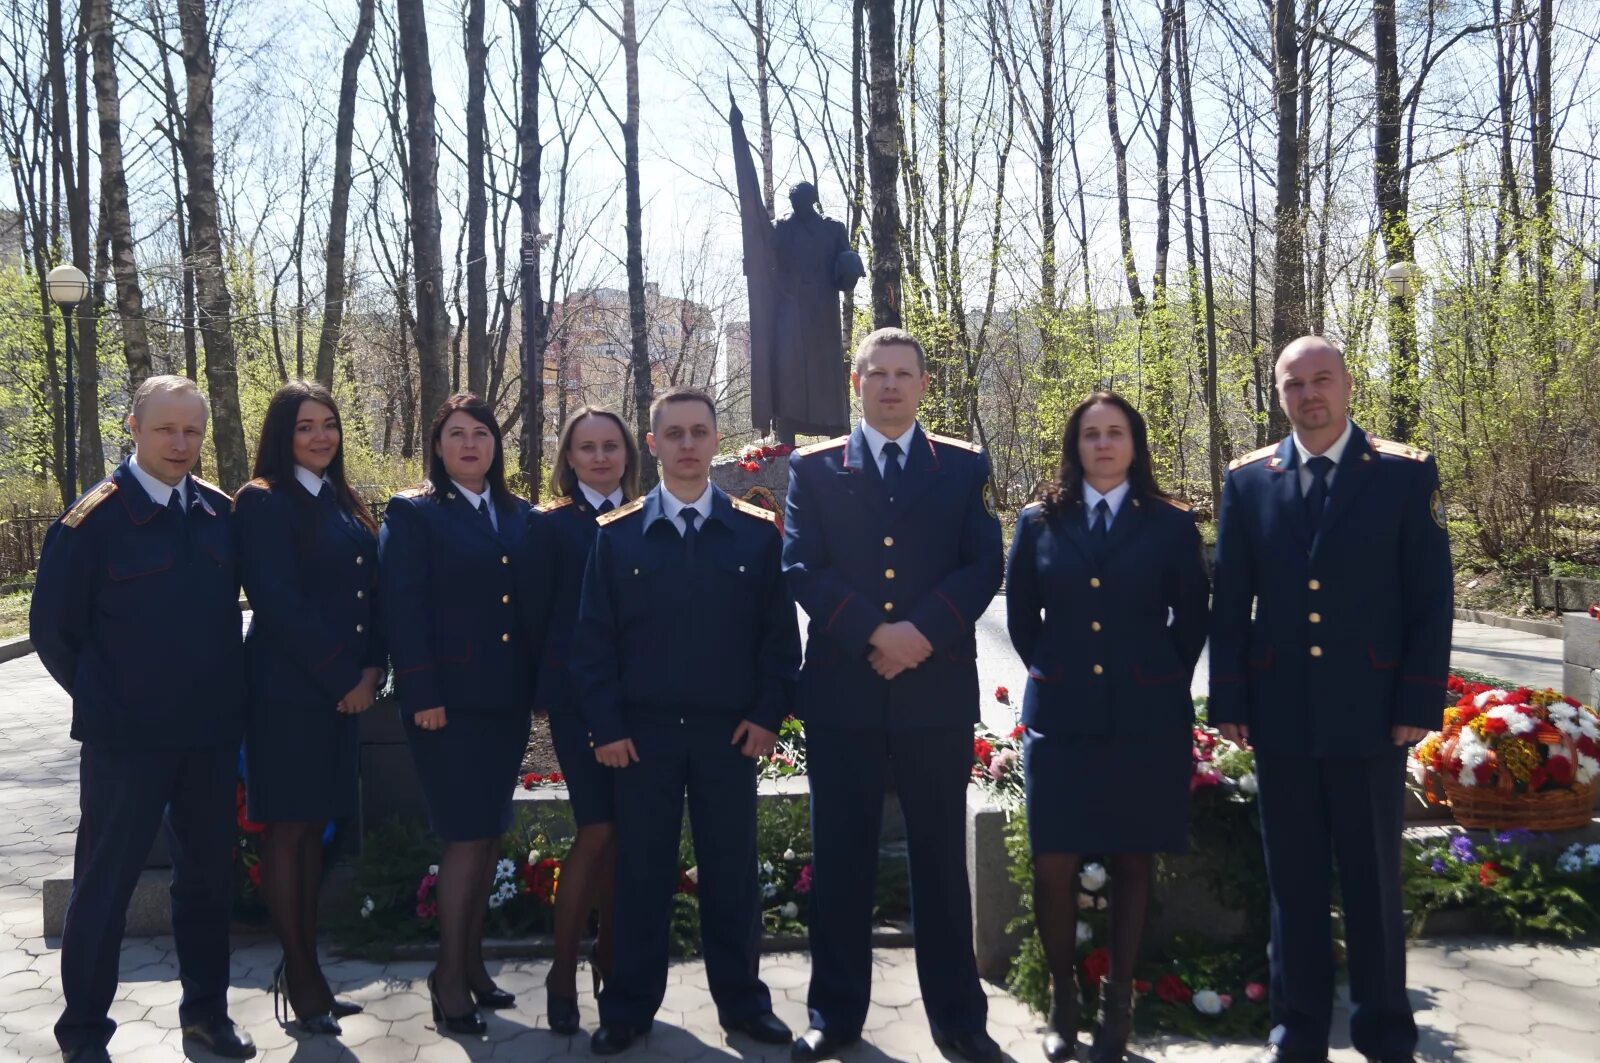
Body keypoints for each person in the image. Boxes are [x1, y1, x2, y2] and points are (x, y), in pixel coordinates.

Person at [1209, 336, 1453, 1063]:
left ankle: (1384, 1034)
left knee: (1374, 882)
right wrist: (1229, 696)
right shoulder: (1250, 479)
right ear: (1278, 394)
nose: (1310, 395)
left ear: (1348, 385)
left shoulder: (1404, 474)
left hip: (1374, 713)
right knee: (1294, 883)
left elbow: (1429, 601)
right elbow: (1231, 603)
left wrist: (1418, 698)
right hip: (1281, 715)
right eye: (1294, 385)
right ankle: (1298, 1031)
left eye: (1322, 381)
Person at [782, 328, 1004, 1063]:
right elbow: (801, 565)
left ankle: (959, 1017)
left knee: (941, 861)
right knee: (841, 859)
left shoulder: (962, 465)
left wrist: (922, 632)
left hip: (933, 694)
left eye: (903, 374)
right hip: (845, 693)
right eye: (876, 373)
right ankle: (835, 1014)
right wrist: (875, 634)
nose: (889, 385)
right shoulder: (814, 470)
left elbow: (982, 563)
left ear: (924, 384)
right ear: (856, 381)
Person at [30, 375, 256, 1062]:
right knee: (106, 884)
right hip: (126, 741)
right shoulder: (92, 520)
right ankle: (84, 1035)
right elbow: (53, 630)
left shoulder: (219, 513)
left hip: (209, 737)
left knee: (208, 881)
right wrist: (109, 701)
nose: (181, 443)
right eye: (166, 429)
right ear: (134, 426)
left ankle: (206, 1017)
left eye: (192, 430)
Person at [572, 387, 800, 1056]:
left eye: (700, 431)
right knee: (641, 875)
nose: (689, 444)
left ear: (715, 439)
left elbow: (778, 641)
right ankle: (629, 1007)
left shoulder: (755, 535)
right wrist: (607, 727)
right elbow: (593, 644)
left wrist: (766, 716)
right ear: (654, 444)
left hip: (729, 737)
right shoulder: (617, 539)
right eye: (674, 433)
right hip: (642, 740)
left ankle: (744, 1002)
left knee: (730, 874)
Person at [1005, 392, 1210, 1063]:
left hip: (1145, 718)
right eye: (1090, 434)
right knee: (1053, 860)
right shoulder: (1038, 522)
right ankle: (1064, 1000)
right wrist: (1068, 674)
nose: (1103, 444)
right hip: (1061, 717)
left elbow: (1192, 618)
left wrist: (1151, 676)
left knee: (1132, 858)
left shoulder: (1171, 526)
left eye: (1115, 432)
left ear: (1135, 443)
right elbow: (1023, 623)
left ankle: (1116, 1005)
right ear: (1074, 446)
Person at [378, 393, 552, 1037]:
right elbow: (404, 608)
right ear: (438, 445)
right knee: (463, 835)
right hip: (445, 707)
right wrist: (422, 693)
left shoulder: (518, 513)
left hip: (503, 701)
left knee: (488, 833)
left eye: (482, 433)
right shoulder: (415, 512)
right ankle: (446, 979)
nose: (471, 444)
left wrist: (538, 686)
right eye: (457, 434)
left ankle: (472, 965)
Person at [235, 381, 384, 1036]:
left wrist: (374, 666)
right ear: (281, 435)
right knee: (289, 835)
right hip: (290, 696)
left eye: (329, 424)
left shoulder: (343, 501)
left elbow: (369, 594)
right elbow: (278, 602)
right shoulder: (263, 501)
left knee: (313, 834)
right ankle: (300, 979)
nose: (321, 436)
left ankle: (309, 973)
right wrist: (340, 678)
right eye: (305, 427)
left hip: (342, 695)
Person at [533, 406, 641, 1034]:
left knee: (627, 836)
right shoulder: (551, 527)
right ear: (568, 458)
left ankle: (613, 961)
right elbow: (537, 618)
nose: (600, 458)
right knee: (597, 829)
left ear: (628, 453)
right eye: (587, 448)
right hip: (581, 705)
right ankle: (562, 968)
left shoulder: (646, 516)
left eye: (610, 446)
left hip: (646, 706)